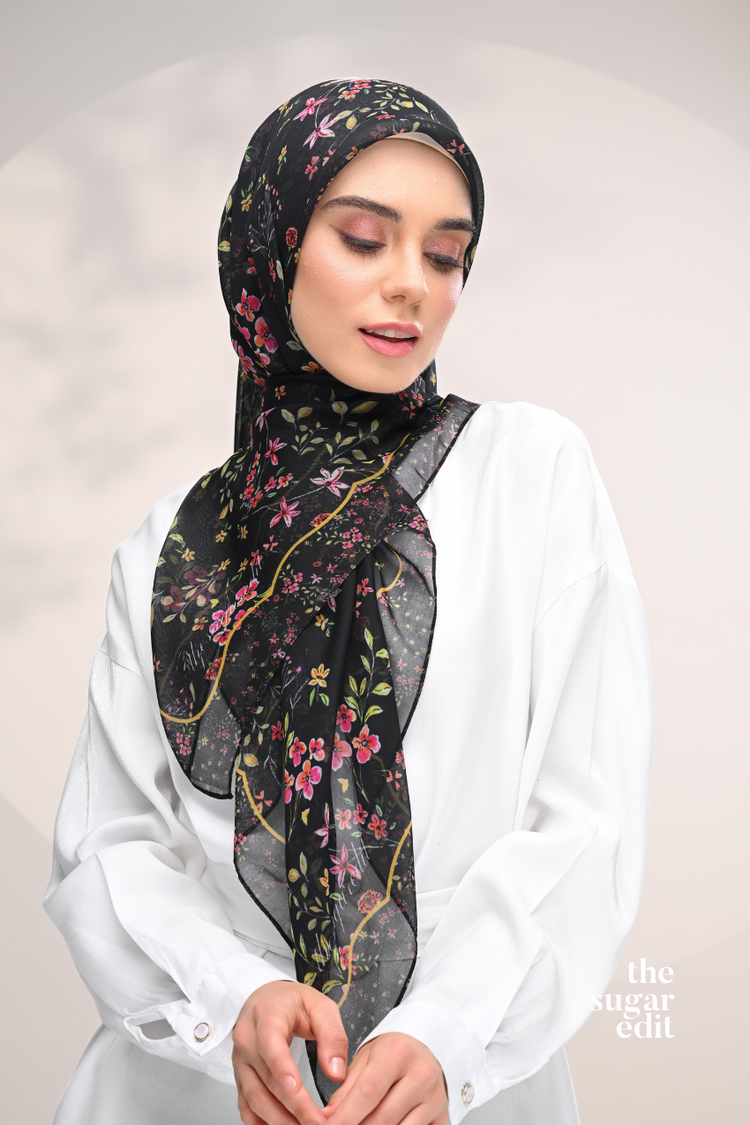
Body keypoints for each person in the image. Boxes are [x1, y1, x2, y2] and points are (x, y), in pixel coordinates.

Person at [44, 77, 653, 1125]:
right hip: (204, 1090)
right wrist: (236, 999)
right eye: (365, 239)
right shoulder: (170, 547)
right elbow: (110, 845)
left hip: (458, 1083)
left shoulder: (531, 474)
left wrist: (448, 1029)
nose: (412, 283)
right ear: (270, 248)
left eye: (446, 255)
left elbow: (587, 816)